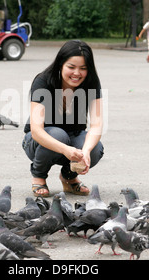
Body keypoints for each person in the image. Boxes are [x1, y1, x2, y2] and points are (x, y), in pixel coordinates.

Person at [22, 40, 104, 197]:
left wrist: (85, 151)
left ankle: (69, 177)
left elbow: (97, 125)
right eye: (71, 67)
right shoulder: (43, 81)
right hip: (38, 141)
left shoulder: (91, 82)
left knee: (95, 147)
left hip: (73, 136)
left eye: (83, 68)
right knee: (58, 135)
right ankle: (38, 176)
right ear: (60, 64)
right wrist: (66, 150)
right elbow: (36, 131)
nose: (77, 73)